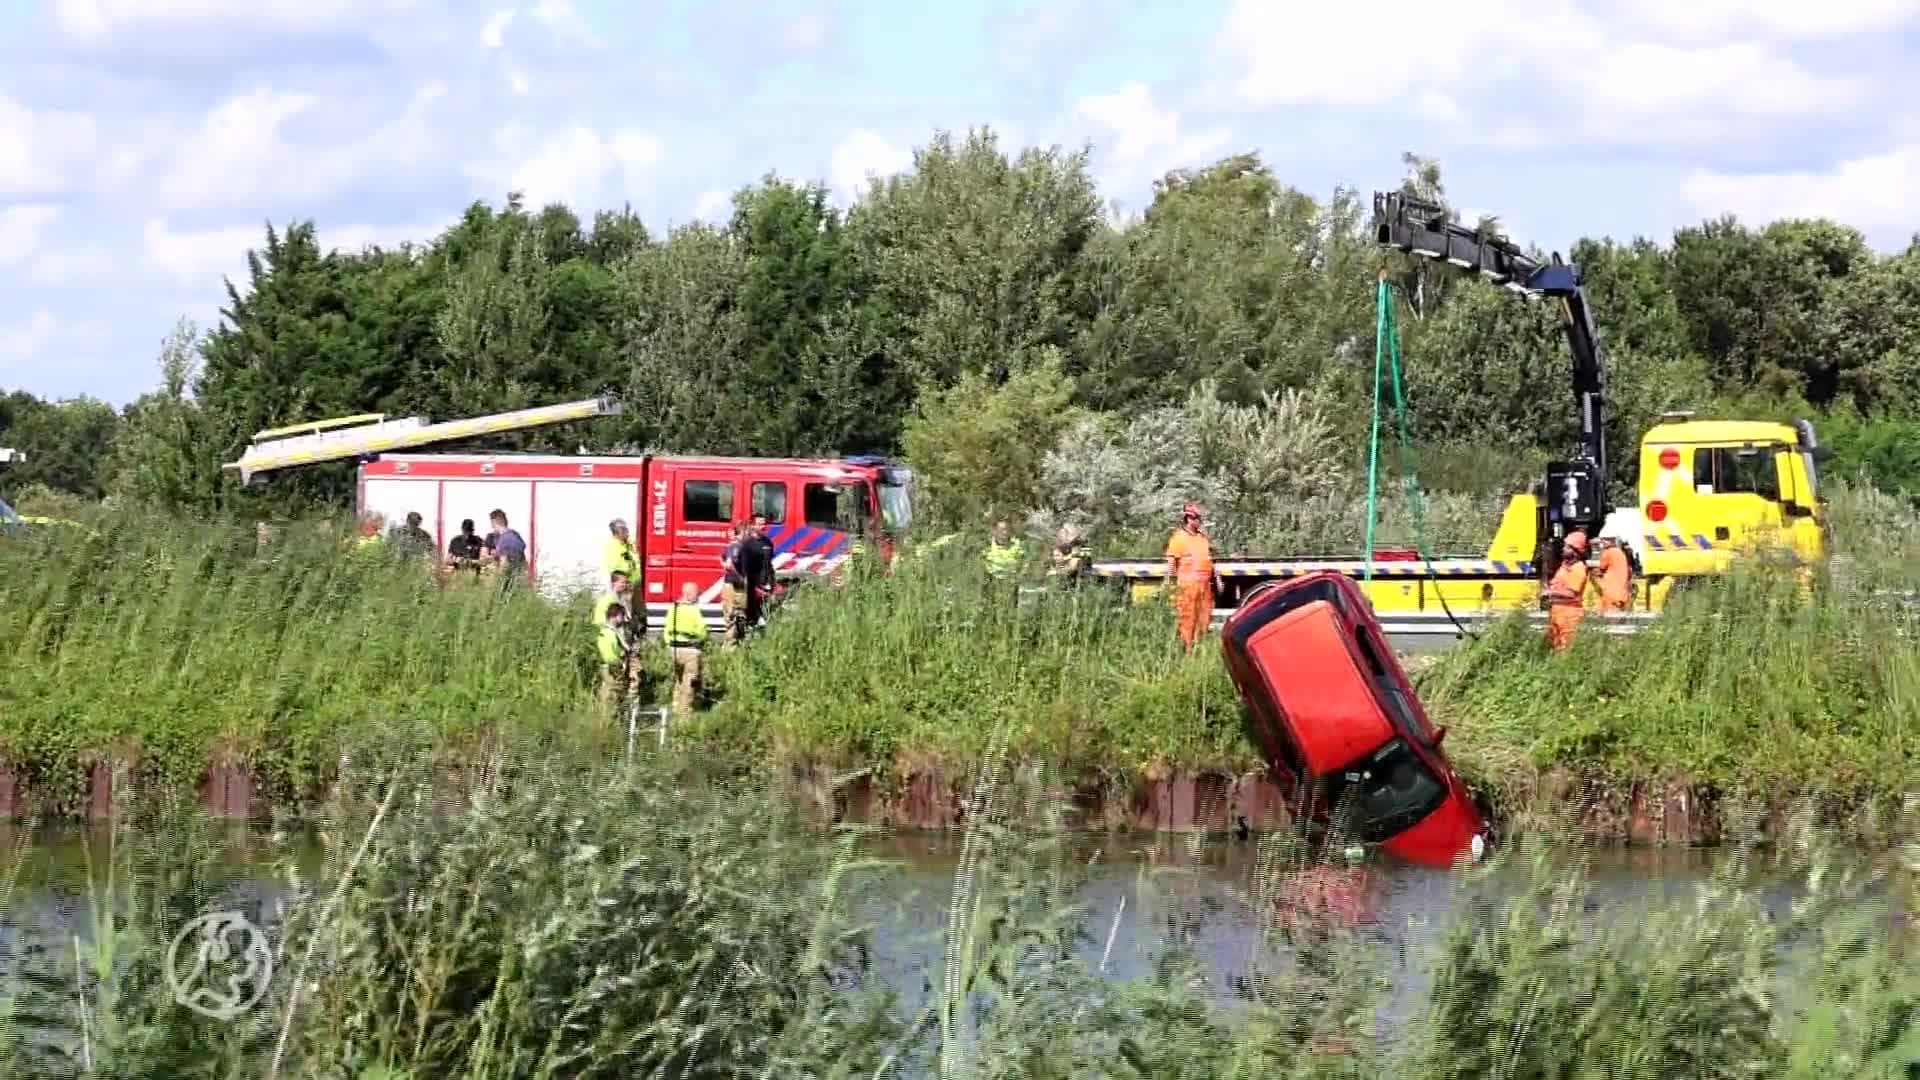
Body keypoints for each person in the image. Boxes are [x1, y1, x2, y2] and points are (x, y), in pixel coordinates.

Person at [1166, 504, 1215, 651]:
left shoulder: (1202, 538)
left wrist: (1217, 578)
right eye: (1198, 518)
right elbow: (1171, 562)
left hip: (1205, 586)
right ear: (1189, 518)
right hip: (1188, 585)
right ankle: (1187, 649)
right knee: (1188, 618)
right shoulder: (1178, 538)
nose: (1200, 521)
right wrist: (1169, 581)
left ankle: (1199, 647)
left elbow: (1210, 558)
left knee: (1204, 617)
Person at [663, 581, 711, 722]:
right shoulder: (693, 610)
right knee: (690, 683)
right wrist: (701, 639)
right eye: (697, 594)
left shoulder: (674, 608)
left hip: (674, 650)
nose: (698, 597)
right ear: (689, 595)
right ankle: (685, 718)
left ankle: (675, 709)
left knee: (678, 680)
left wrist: (669, 645)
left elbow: (666, 631)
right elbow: (702, 631)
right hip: (690, 651)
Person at [1543, 530, 1592, 651]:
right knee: (1555, 648)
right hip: (1556, 612)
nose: (1563, 549)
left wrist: (1550, 593)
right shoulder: (1564, 567)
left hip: (1570, 615)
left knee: (1567, 649)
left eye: (1567, 547)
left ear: (1575, 551)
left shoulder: (1578, 568)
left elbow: (1572, 594)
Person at [596, 601, 638, 718]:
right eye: (622, 616)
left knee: (616, 697)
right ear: (616, 615)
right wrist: (618, 664)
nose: (623, 619)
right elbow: (608, 654)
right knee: (610, 697)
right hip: (612, 669)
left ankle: (614, 721)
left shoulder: (613, 632)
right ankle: (607, 724)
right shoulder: (607, 633)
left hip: (616, 668)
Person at [720, 521, 751, 647]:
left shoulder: (733, 546)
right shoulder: (736, 547)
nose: (749, 535)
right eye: (748, 532)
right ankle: (730, 648)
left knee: (737, 616)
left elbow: (722, 559)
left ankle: (733, 645)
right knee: (733, 616)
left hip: (734, 585)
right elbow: (729, 564)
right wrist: (740, 578)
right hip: (734, 586)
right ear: (743, 532)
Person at [486, 509, 527, 584]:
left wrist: (497, 581)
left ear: (494, 522)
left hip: (509, 582)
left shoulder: (504, 539)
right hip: (520, 580)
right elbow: (523, 561)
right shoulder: (516, 535)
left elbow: (504, 562)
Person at [1595, 535, 1633, 613]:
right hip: (1622, 592)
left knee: (1609, 616)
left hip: (1611, 591)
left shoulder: (1607, 552)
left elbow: (1602, 567)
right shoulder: (1620, 552)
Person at [1047, 523, 1092, 588]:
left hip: (1079, 578)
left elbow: (1072, 567)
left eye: (1067, 532)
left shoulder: (1078, 544)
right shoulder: (1059, 545)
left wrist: (1057, 571)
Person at [605, 518, 639, 583]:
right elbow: (621, 566)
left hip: (631, 581)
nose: (627, 531)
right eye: (624, 529)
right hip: (623, 581)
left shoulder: (626, 545)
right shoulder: (614, 546)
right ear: (616, 532)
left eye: (626, 529)